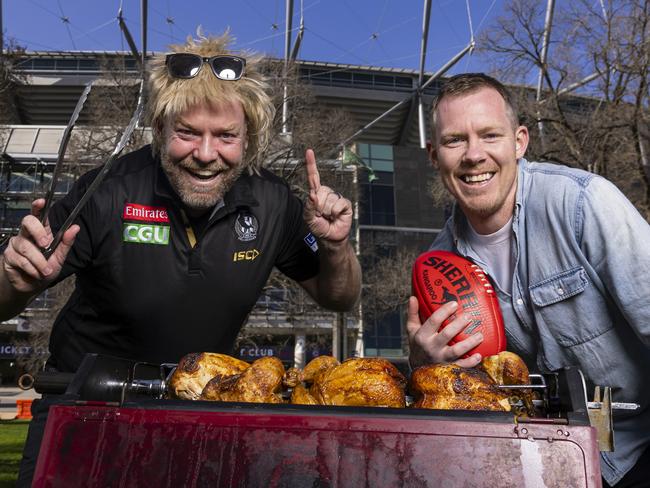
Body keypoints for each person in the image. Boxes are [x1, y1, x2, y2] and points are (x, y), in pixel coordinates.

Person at [0, 32, 361, 485]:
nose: (206, 155)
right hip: (85, 408)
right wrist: (14, 277)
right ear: (159, 130)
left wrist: (334, 246)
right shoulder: (106, 189)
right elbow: (3, 301)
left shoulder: (275, 203)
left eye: (225, 136)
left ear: (248, 138)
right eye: (187, 133)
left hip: (199, 410)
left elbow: (340, 298)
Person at [406, 73, 650, 487]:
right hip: (545, 463)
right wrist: (424, 365)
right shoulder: (435, 266)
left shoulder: (582, 204)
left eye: (489, 135)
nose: (473, 155)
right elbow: (469, 401)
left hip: (638, 447)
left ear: (519, 142)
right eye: (454, 141)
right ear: (434, 155)